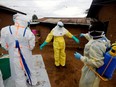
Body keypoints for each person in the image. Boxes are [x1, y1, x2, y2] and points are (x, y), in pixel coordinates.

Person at [1, 13, 38, 87]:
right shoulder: (28, 33)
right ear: (24, 22)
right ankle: (33, 82)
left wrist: (10, 48)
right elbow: (31, 46)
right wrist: (27, 49)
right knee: (30, 69)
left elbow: (3, 44)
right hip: (26, 55)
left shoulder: (5, 30)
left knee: (18, 74)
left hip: (14, 56)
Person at [74, 21, 111, 87]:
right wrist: (84, 34)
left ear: (93, 32)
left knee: (86, 84)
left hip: (91, 71)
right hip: (92, 69)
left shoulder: (96, 46)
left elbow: (98, 63)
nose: (89, 32)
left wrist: (81, 57)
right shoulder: (103, 38)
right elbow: (91, 37)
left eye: (90, 31)